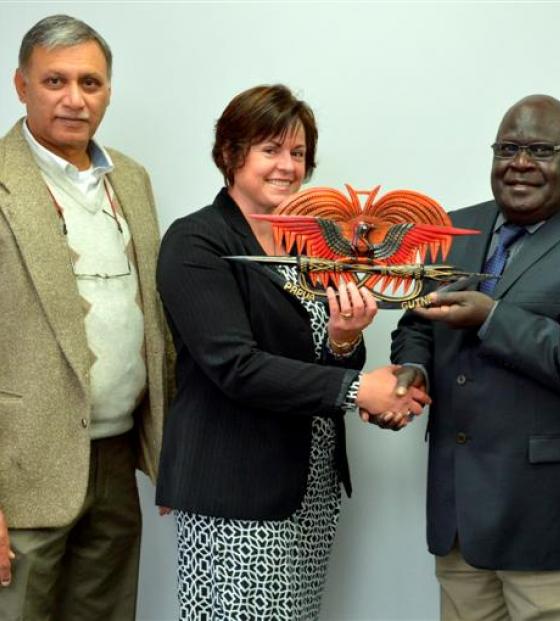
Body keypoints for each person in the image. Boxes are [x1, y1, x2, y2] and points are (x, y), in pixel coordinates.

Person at [155, 84, 428, 620]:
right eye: (270, 149)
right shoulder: (196, 242)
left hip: (309, 491)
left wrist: (345, 340)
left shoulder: (309, 248)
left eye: (298, 153)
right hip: (237, 495)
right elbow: (236, 367)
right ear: (230, 155)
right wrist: (359, 389)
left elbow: (320, 361)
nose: (287, 166)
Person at [389, 94, 560, 620]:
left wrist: (493, 318)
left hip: (553, 533)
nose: (520, 163)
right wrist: (413, 368)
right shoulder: (451, 228)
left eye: (540, 150)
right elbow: (417, 322)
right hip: (462, 526)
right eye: (508, 148)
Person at [0, 15, 169, 620]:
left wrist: (164, 448)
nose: (75, 99)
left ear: (109, 92)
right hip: (20, 475)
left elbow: (152, 321)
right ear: (22, 86)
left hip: (117, 460)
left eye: (91, 84)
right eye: (55, 81)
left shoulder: (130, 178)